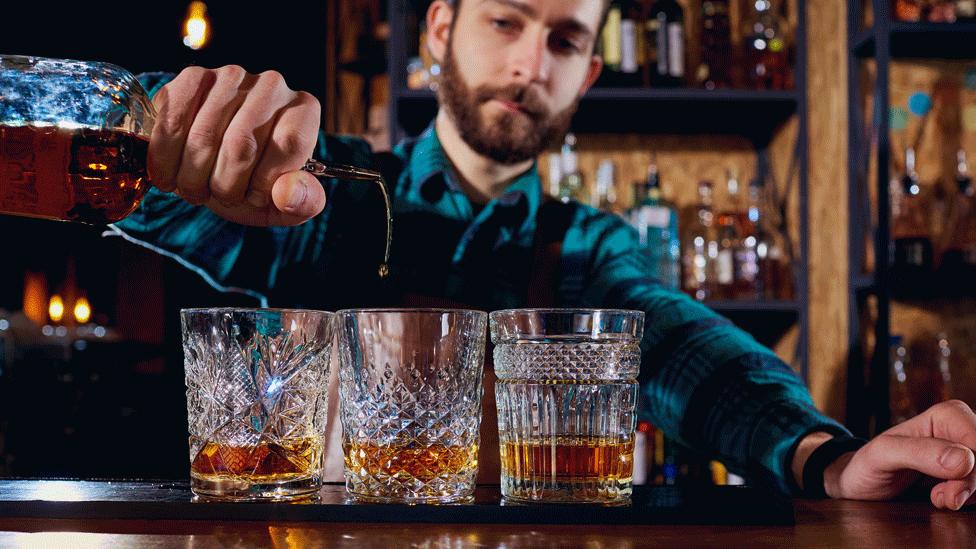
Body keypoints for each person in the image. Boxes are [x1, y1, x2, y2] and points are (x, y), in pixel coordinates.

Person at [112, 0, 976, 509]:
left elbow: (692, 358)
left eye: (565, 39)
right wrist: (162, 140)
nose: (532, 62)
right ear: (440, 30)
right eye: (507, 21)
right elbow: (155, 197)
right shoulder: (325, 192)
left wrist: (823, 455)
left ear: (589, 75)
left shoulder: (587, 249)